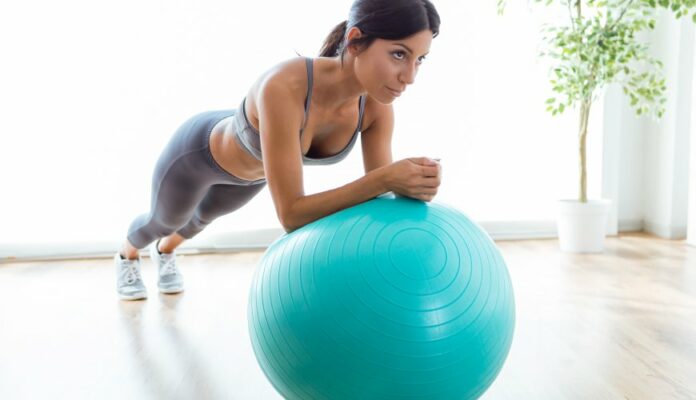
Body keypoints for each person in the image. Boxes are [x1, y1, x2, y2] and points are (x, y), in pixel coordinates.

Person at [115, 0, 442, 300]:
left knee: (199, 221)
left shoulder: (376, 108)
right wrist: (387, 179)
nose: (410, 77)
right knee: (162, 221)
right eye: (399, 54)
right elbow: (291, 215)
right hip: (197, 156)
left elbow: (379, 200)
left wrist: (413, 184)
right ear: (356, 41)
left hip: (253, 176)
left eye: (420, 59)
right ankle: (127, 256)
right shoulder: (284, 87)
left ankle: (165, 253)